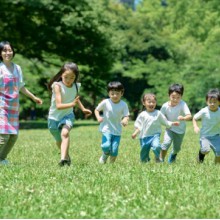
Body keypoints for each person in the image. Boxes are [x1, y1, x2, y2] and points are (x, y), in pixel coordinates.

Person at [0, 41, 43, 165]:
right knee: (4, 136)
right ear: (0, 53)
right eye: (4, 50)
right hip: (1, 106)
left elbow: (20, 87)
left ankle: (2, 158)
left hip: (13, 107)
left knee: (13, 136)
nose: (8, 53)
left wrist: (34, 98)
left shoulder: (17, 68)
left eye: (10, 50)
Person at [47, 62, 92, 166]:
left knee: (65, 134)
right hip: (53, 118)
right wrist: (72, 104)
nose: (68, 80)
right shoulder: (57, 86)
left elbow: (75, 98)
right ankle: (67, 157)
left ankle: (63, 159)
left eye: (72, 78)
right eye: (66, 77)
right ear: (61, 75)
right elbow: (59, 105)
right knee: (59, 141)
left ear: (75, 77)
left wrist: (83, 108)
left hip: (68, 116)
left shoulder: (76, 86)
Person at [132, 93, 179, 163]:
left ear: (155, 103)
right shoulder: (142, 114)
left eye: (153, 102)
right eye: (149, 102)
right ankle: (144, 162)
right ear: (144, 103)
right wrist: (135, 133)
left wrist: (172, 123)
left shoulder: (158, 113)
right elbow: (139, 126)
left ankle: (157, 158)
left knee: (156, 146)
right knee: (144, 152)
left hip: (155, 135)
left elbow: (165, 121)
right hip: (144, 136)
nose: (151, 104)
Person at [94, 81, 129, 164]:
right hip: (106, 128)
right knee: (106, 145)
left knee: (114, 150)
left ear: (122, 93)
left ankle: (111, 165)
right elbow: (96, 110)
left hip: (117, 130)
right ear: (108, 93)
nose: (115, 96)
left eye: (117, 93)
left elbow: (126, 115)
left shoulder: (123, 104)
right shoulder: (105, 102)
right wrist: (98, 117)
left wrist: (125, 119)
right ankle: (105, 155)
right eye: (112, 93)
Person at [160, 83, 192, 163]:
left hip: (180, 130)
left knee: (177, 148)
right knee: (166, 144)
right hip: (169, 128)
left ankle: (173, 155)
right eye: (173, 97)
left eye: (178, 97)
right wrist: (168, 122)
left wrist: (183, 118)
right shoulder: (165, 106)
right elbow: (160, 117)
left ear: (181, 96)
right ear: (169, 95)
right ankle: (160, 160)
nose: (175, 99)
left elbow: (189, 116)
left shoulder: (183, 104)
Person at [193, 89, 220, 164]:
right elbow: (194, 118)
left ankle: (216, 166)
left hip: (216, 136)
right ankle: (200, 156)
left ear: (219, 102)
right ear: (206, 102)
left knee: (219, 152)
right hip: (205, 136)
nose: (212, 104)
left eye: (215, 102)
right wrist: (195, 126)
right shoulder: (204, 111)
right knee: (205, 150)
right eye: (210, 102)